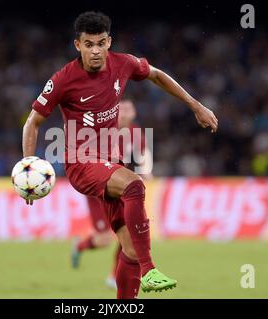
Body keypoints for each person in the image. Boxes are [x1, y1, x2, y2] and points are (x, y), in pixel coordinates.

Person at [22, 11, 218, 299]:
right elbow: (33, 122)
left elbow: (156, 75)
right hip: (80, 163)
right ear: (77, 45)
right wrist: (28, 165)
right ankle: (151, 269)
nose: (96, 51)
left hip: (110, 162)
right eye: (89, 44)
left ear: (109, 41)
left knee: (129, 249)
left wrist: (195, 105)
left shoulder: (123, 64)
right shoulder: (63, 79)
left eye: (101, 43)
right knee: (134, 185)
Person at [71, 98, 152, 291]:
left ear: (134, 113)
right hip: (96, 188)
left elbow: (143, 154)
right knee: (104, 240)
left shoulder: (135, 132)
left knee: (129, 232)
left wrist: (146, 170)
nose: (124, 112)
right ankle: (79, 247)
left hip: (116, 185)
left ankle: (113, 276)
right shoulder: (104, 129)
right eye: (121, 108)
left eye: (128, 108)